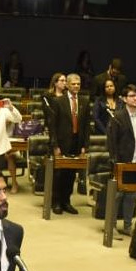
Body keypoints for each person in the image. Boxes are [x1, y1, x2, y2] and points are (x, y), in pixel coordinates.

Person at [106, 85, 136, 236]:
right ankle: (111, 225)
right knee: (118, 195)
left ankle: (127, 226)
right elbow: (112, 141)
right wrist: (115, 161)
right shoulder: (118, 116)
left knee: (132, 196)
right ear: (125, 99)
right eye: (132, 96)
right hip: (122, 162)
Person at [47, 73, 89, 215]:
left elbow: (86, 126)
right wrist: (55, 145)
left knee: (71, 174)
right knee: (59, 174)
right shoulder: (58, 101)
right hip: (62, 142)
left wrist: (85, 146)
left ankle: (66, 201)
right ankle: (56, 202)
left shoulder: (84, 101)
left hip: (77, 142)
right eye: (73, 84)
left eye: (78, 84)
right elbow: (52, 126)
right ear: (67, 85)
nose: (76, 86)